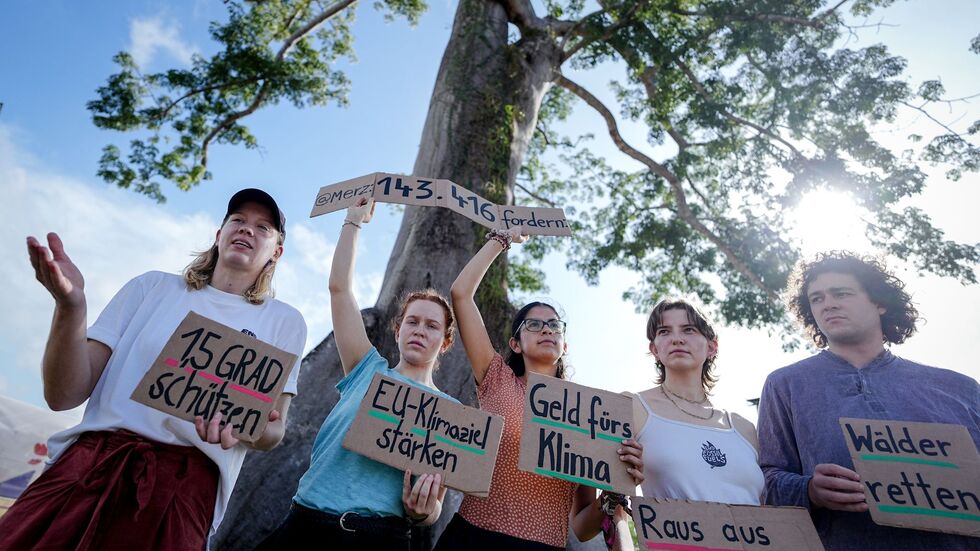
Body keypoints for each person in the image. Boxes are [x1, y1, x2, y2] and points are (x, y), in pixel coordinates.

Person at [0, 188, 307, 550]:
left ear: (277, 252)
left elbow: (273, 431)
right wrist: (71, 308)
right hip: (88, 467)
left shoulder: (285, 322)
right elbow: (63, 395)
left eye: (263, 227)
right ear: (219, 234)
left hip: (183, 493)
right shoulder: (152, 287)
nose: (247, 230)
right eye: (237, 220)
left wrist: (243, 430)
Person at [256, 197, 456, 551]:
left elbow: (434, 504)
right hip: (303, 525)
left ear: (445, 342)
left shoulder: (448, 411)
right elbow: (339, 290)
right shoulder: (366, 369)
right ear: (397, 330)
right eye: (412, 321)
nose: (419, 330)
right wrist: (353, 222)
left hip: (378, 538)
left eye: (431, 326)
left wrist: (424, 511)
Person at [436, 228, 644, 551]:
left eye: (554, 325)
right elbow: (461, 294)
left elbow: (582, 526)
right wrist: (500, 240)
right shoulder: (496, 378)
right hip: (471, 537)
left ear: (565, 342)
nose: (546, 328)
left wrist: (612, 497)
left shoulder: (587, 414)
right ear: (515, 343)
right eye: (534, 324)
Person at [758, 251, 980, 551]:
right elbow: (767, 482)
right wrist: (808, 490)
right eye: (817, 298)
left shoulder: (960, 388)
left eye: (841, 293)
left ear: (880, 303)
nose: (829, 304)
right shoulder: (785, 384)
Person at [632, 298, 764, 505]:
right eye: (664, 331)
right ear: (654, 349)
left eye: (689, 330)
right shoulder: (634, 407)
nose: (677, 339)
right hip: (674, 536)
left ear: (712, 347)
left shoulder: (744, 428)